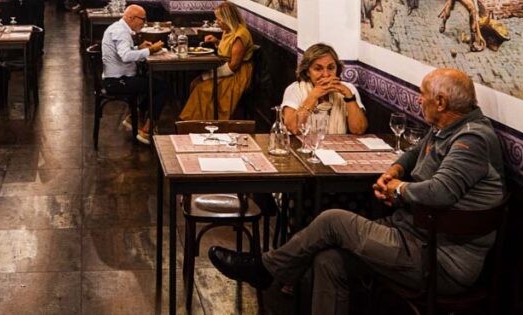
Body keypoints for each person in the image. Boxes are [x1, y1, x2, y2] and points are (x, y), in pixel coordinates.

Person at [208, 68, 506, 314]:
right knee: (329, 261)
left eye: (423, 96)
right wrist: (394, 171)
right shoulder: (447, 126)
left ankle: (267, 267)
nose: (419, 101)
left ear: (440, 102)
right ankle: (269, 268)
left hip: (439, 261)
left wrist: (398, 191)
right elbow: (415, 152)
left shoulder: (473, 140)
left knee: (333, 219)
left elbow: (441, 192)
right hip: (413, 237)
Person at [179, 2, 255, 120]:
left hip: (237, 75)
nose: (217, 23)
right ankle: (196, 120)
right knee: (194, 83)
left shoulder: (241, 35)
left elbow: (233, 65)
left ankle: (205, 122)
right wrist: (216, 41)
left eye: (219, 20)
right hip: (226, 69)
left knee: (202, 88)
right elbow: (229, 50)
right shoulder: (228, 31)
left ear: (227, 19)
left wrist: (209, 75)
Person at [101, 4, 164, 144]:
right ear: (131, 17)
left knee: (154, 82)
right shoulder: (121, 32)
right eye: (142, 19)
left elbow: (124, 51)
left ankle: (134, 116)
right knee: (161, 86)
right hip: (117, 82)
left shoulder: (119, 28)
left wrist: (138, 48)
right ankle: (147, 130)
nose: (144, 22)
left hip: (117, 78)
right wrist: (150, 51)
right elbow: (125, 56)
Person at [282, 43, 368, 136]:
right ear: (307, 72)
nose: (326, 74)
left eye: (331, 68)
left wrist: (349, 97)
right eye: (318, 69)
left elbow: (359, 130)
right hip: (303, 147)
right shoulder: (295, 89)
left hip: (335, 147)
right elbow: (293, 128)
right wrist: (313, 96)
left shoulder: (349, 89)